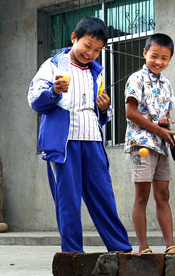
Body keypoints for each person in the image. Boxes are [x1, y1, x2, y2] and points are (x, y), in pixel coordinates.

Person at [28, 17, 132, 253]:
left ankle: (121, 250)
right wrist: (53, 91)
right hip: (63, 145)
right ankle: (72, 254)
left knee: (104, 197)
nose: (91, 53)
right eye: (87, 46)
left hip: (93, 141)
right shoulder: (53, 65)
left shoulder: (97, 72)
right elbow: (34, 100)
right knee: (69, 201)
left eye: (97, 50)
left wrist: (105, 108)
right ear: (74, 38)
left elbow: (102, 112)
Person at [124, 33, 175, 254]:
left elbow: (165, 116)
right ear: (145, 53)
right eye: (154, 56)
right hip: (141, 146)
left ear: (170, 59)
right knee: (142, 195)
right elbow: (130, 113)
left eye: (164, 58)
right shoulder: (136, 79)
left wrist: (165, 122)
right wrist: (158, 129)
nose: (159, 61)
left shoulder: (166, 84)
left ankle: (170, 245)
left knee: (163, 195)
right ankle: (143, 247)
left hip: (162, 145)